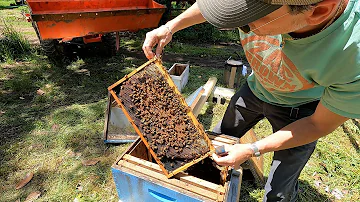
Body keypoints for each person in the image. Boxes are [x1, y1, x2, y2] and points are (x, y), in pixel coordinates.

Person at [142, 0, 359, 201]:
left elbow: (317, 124)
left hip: (301, 111)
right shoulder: (281, 10)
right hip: (255, 90)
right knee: (219, 140)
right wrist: (172, 25)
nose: (238, 25)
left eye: (246, 21)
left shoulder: (352, 57)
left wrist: (252, 149)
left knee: (278, 194)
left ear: (319, 11)